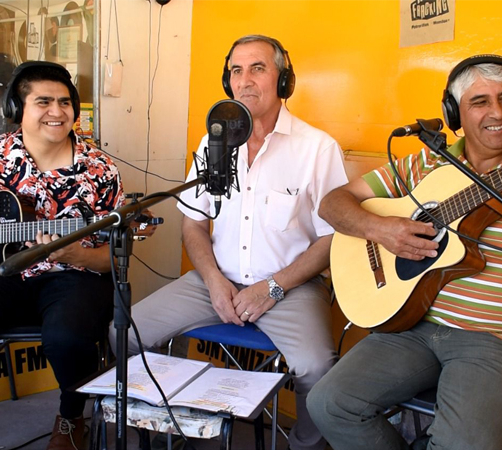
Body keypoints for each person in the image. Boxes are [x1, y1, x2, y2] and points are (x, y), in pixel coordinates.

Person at [307, 55, 502, 450]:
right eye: (480, 101)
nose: (498, 112)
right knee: (329, 403)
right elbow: (333, 203)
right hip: (411, 326)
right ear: (454, 112)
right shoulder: (427, 161)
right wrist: (382, 228)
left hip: (497, 341)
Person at [109, 35, 348, 450]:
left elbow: (333, 239)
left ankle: (306, 446)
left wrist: (272, 288)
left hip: (289, 287)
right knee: (122, 332)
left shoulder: (317, 149)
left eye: (258, 68)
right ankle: (168, 428)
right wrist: (214, 281)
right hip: (212, 282)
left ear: (283, 80)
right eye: (236, 71)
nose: (245, 81)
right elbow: (193, 225)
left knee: (316, 368)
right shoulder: (211, 143)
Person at [0, 61, 125, 450]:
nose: (57, 112)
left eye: (65, 102)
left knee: (68, 336)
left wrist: (77, 254)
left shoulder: (100, 170)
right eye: (43, 101)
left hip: (72, 277)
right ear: (17, 109)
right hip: (1, 272)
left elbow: (112, 261)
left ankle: (70, 419)